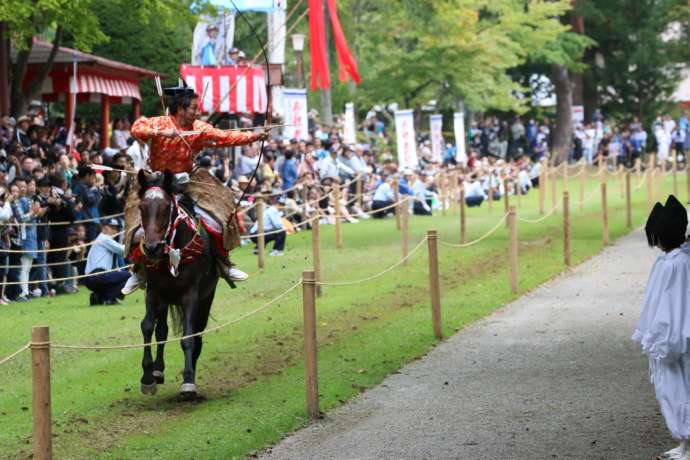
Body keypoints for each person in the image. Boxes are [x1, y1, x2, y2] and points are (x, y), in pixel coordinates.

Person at [122, 79, 269, 295]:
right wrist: (162, 134)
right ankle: (139, 270)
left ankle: (223, 263)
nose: (196, 112)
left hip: (186, 180)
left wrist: (255, 136)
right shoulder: (161, 123)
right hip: (156, 181)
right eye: (193, 108)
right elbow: (137, 128)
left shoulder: (199, 128)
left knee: (219, 215)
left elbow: (225, 137)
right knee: (137, 222)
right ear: (180, 107)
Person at [633, 195, 690, 460]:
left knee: (681, 388)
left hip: (676, 340)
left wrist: (665, 340)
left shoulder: (677, 264)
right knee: (671, 390)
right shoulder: (668, 262)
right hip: (669, 339)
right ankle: (684, 442)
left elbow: (673, 307)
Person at [83, 218, 129, 305]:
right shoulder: (104, 239)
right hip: (97, 276)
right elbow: (123, 250)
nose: (115, 230)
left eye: (116, 228)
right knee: (128, 275)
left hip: (92, 278)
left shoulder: (103, 240)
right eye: (112, 227)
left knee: (119, 275)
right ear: (104, 228)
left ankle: (98, 297)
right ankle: (110, 298)